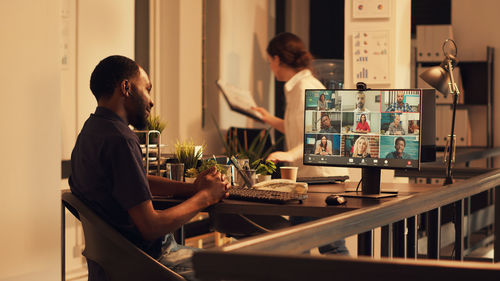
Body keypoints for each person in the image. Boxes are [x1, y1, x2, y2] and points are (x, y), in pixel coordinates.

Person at [69, 55, 229, 281]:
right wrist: (206, 197)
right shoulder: (121, 139)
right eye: (147, 89)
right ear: (126, 87)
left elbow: (136, 180)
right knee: (240, 269)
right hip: (148, 263)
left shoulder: (91, 131)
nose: (151, 101)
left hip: (111, 265)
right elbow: (151, 226)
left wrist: (193, 188)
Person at [252, 32, 349, 255]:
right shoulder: (296, 87)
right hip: (308, 178)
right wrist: (267, 118)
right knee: (298, 243)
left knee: (324, 245)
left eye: (269, 61)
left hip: (322, 178)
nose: (270, 67)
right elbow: (297, 129)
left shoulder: (306, 87)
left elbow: (321, 133)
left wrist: (287, 155)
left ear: (277, 59)